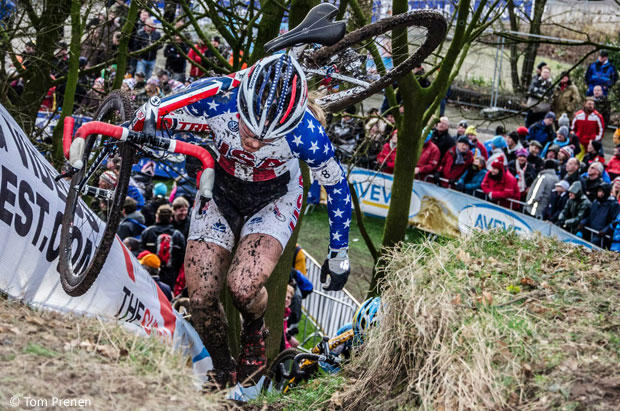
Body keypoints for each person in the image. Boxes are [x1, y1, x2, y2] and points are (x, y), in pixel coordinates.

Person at [130, 53, 352, 388]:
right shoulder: (217, 95)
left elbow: (336, 187)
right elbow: (156, 111)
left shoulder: (308, 133)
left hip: (274, 199)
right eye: (250, 130)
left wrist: (338, 253)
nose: (255, 143)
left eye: (269, 137)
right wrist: (142, 124)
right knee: (200, 298)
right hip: (220, 191)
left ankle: (254, 331)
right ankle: (222, 368)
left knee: (243, 287)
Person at [140, 204, 186, 290]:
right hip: (171, 275)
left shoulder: (147, 232)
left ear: (157, 217)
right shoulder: (178, 235)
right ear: (171, 218)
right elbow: (182, 257)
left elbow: (141, 253)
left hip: (149, 273)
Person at [580, 183, 619, 247]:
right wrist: (583, 222)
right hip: (590, 231)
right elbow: (590, 215)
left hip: (602, 237)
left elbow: (614, 221)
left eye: (603, 192)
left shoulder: (613, 205)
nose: (600, 194)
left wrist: (605, 230)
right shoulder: (595, 202)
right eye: (599, 191)